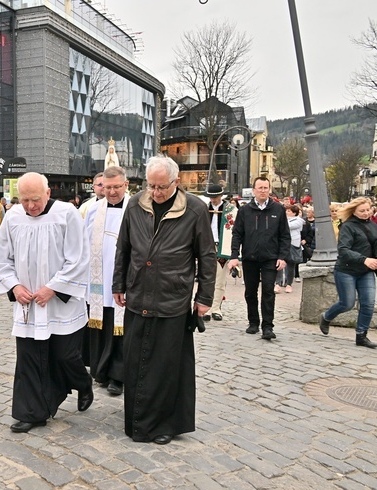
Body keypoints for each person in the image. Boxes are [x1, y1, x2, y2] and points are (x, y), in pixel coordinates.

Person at [112, 156, 215, 445]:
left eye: (162, 187)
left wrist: (204, 297)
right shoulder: (135, 204)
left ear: (176, 182)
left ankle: (163, 425)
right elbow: (124, 247)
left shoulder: (194, 209)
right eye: (151, 186)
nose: (156, 193)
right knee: (135, 360)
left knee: (165, 365)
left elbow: (206, 255)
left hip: (172, 297)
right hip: (138, 294)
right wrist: (118, 284)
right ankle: (137, 422)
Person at [0, 172, 93, 433]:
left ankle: (83, 382)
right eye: (24, 200)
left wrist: (53, 288)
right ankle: (32, 412)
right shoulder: (13, 217)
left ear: (48, 193)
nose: (30, 206)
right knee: (29, 358)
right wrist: (14, 285)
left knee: (65, 355)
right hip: (28, 304)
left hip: (60, 303)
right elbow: (1, 260)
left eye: (35, 199)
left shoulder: (67, 214)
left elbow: (78, 258)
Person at [228, 177, 291, 341]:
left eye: (266, 187)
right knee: (250, 292)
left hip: (270, 258)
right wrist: (235, 255)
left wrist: (283, 256)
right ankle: (253, 322)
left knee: (269, 291)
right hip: (250, 257)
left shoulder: (278, 209)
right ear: (254, 190)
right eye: (260, 187)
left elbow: (285, 236)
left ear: (269, 189)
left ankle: (268, 326)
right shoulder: (245, 210)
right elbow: (237, 234)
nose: (263, 190)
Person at [85, 166, 128, 396]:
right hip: (99, 278)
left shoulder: (136, 209)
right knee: (101, 325)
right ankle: (99, 371)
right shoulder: (93, 210)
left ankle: (118, 376)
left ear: (126, 185)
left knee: (119, 329)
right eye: (107, 187)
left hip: (124, 278)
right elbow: (84, 241)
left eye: (116, 187)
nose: (111, 192)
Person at [319, 197, 377, 348]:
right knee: (347, 303)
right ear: (354, 211)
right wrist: (364, 259)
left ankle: (361, 335)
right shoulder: (348, 226)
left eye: (368, 210)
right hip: (346, 270)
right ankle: (326, 317)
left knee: (368, 303)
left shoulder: (373, 225)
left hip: (366, 272)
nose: (366, 213)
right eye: (362, 211)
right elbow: (343, 250)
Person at [205, 184, 237, 322]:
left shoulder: (231, 209)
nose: (213, 200)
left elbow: (236, 230)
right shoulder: (204, 208)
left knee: (220, 279)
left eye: (215, 197)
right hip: (206, 247)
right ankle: (205, 308)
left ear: (221, 196)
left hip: (222, 247)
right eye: (211, 197)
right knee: (206, 279)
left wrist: (235, 252)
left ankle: (216, 308)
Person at [275, 204, 304, 294]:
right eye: (286, 210)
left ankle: (289, 284)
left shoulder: (299, 221)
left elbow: (288, 226)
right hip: (282, 243)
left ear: (294, 213)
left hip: (293, 244)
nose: (286, 212)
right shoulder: (282, 219)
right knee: (279, 263)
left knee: (290, 265)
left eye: (288, 211)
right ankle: (278, 283)